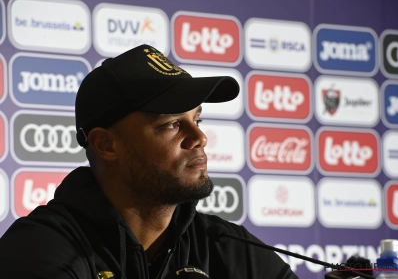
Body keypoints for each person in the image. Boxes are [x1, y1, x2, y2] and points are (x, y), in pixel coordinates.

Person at [0, 44, 298, 279]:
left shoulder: (227, 245)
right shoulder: (41, 248)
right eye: (171, 124)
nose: (200, 137)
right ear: (106, 145)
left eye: (197, 119)